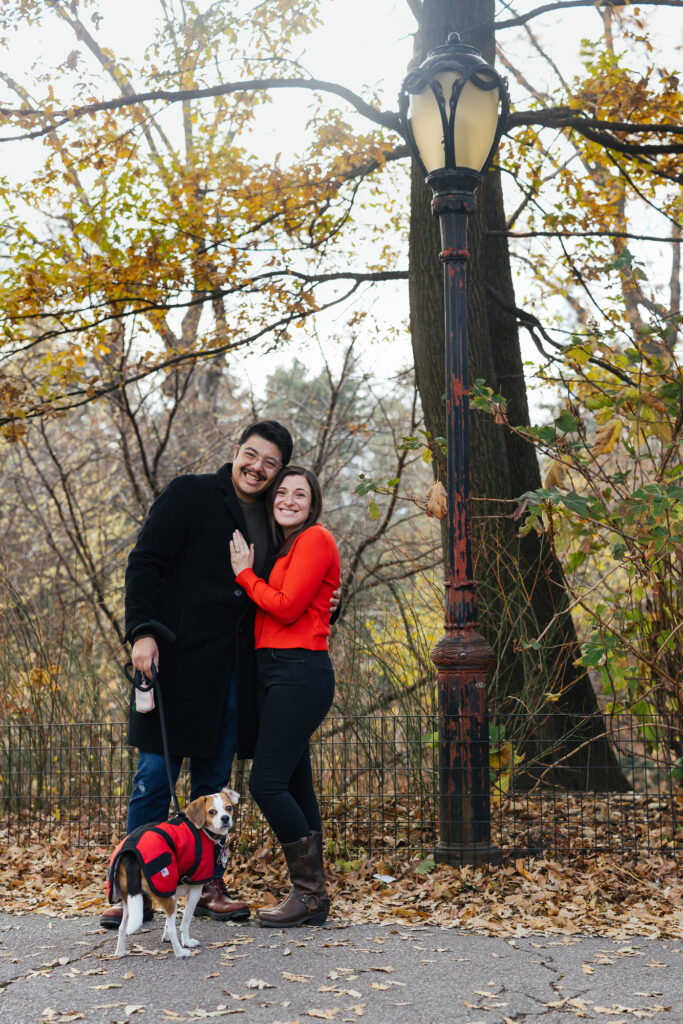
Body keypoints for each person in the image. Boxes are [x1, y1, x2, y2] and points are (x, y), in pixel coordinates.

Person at [101, 420, 299, 929]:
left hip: (236, 670)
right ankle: (133, 889)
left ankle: (207, 885)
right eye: (250, 455)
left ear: (279, 472)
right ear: (235, 451)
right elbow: (145, 562)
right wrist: (142, 632)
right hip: (176, 661)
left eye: (269, 462)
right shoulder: (190, 494)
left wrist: (331, 604)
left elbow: (289, 592)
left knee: (215, 781)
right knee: (152, 779)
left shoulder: (278, 522)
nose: (256, 467)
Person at [229, 464, 340, 927]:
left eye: (300, 493)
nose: (289, 499)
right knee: (295, 784)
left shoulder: (316, 538)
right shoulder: (285, 548)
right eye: (283, 493)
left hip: (299, 671)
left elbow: (289, 607)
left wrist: (244, 574)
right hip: (277, 670)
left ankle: (310, 892)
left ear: (312, 504)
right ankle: (313, 898)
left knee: (266, 783)